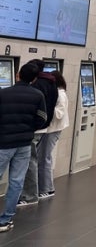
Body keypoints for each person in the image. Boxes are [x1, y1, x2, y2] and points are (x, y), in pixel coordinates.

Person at [0, 62, 47, 232]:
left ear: (17, 75)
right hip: (24, 144)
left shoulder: (3, 93)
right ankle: (5, 220)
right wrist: (29, 129)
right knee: (16, 182)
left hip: (3, 144)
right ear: (34, 79)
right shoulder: (38, 95)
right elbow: (42, 118)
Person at [18, 59, 57, 206]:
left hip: (34, 128)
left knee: (30, 161)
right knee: (34, 159)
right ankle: (34, 192)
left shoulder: (38, 85)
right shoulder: (51, 82)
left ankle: (29, 196)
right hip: (42, 127)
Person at [36, 70, 69, 199]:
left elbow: (59, 114)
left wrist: (45, 106)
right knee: (43, 157)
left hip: (53, 130)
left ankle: (47, 189)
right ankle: (45, 187)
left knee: (44, 158)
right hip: (50, 129)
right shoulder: (58, 93)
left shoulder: (60, 94)